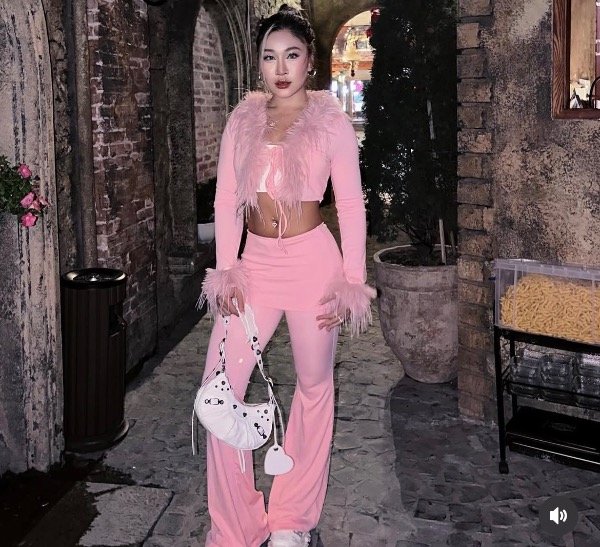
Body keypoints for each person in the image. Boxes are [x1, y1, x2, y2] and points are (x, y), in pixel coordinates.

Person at [199, 5, 375, 546]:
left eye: (291, 55)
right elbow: (226, 198)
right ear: (258, 64)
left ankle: (292, 519)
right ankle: (235, 526)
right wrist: (226, 270)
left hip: (313, 265)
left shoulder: (330, 121)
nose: (280, 68)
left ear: (309, 62)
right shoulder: (242, 120)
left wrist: (351, 279)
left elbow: (351, 203)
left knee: (314, 387)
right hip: (254, 265)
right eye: (269, 57)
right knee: (218, 391)